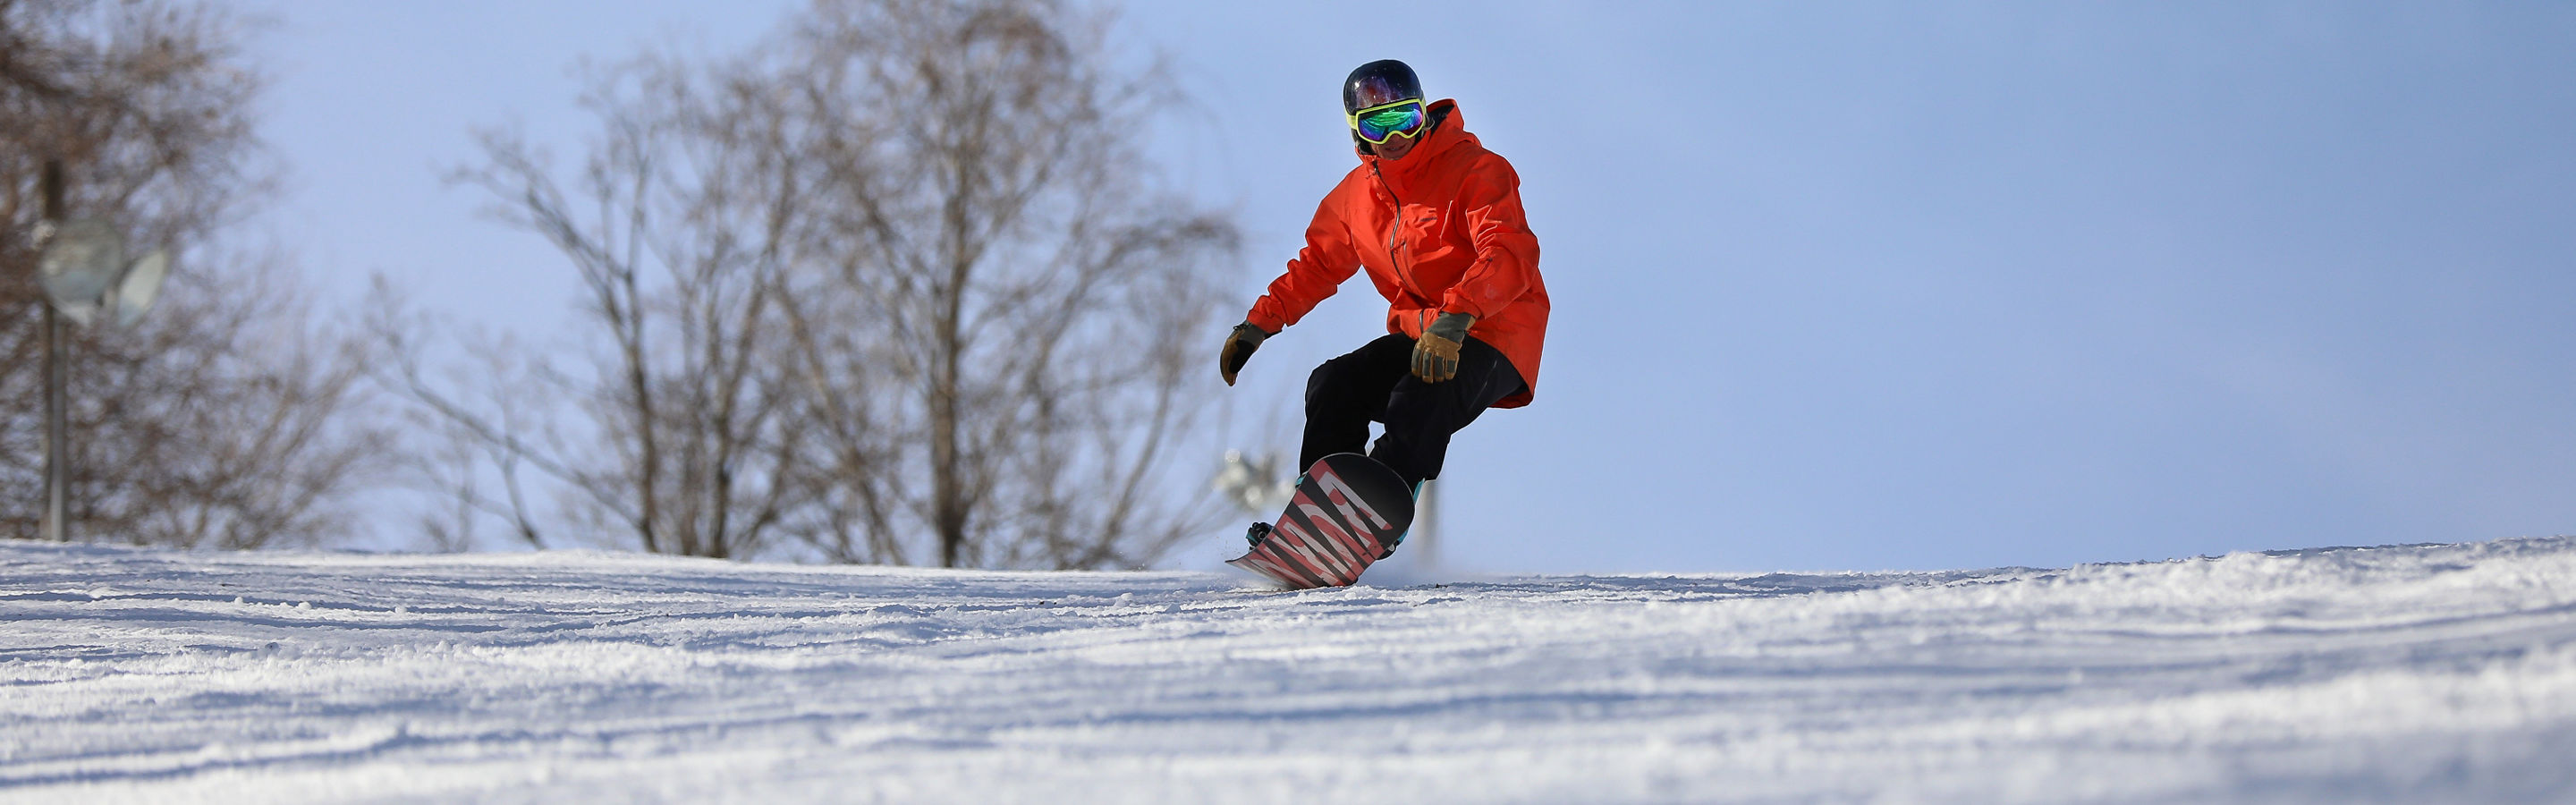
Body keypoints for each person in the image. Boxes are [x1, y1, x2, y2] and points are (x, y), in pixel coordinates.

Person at [1218, 58, 1549, 507]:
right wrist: (1258, 325)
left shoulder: (1476, 170)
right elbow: (1316, 266)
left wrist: (1455, 320)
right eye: (1379, 127)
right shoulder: (1355, 198)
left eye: (1405, 120)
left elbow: (1509, 252)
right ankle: (1321, 510)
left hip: (1495, 330)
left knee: (1422, 391)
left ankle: (1379, 501)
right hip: (1424, 332)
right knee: (1334, 383)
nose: (1395, 139)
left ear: (1424, 114)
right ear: (1357, 131)